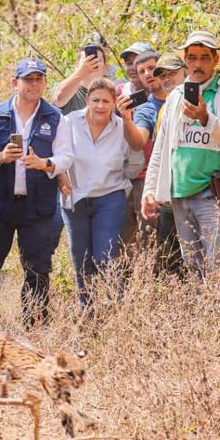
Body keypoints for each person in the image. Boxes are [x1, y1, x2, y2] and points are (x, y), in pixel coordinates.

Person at [143, 31, 220, 277]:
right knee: (192, 263)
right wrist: (150, 189)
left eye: (204, 58)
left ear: (214, 59)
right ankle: (204, 313)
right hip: (180, 192)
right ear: (186, 61)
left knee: (218, 263)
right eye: (192, 58)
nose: (198, 64)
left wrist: (205, 118)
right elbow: (161, 147)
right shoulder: (175, 97)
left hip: (212, 192)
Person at [0, 58, 70, 325]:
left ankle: (35, 319)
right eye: (28, 79)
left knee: (38, 266)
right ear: (14, 83)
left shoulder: (55, 116)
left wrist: (45, 164)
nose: (34, 84)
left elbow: (66, 156)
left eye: (39, 78)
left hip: (37, 205)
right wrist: (1, 156)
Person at [56, 78, 145, 305]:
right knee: (81, 258)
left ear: (114, 102)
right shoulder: (69, 122)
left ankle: (117, 303)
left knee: (104, 255)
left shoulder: (121, 126)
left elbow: (135, 161)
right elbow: (57, 154)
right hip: (75, 196)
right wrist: (60, 175)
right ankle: (87, 309)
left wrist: (119, 177)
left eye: (106, 101)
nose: (100, 106)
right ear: (87, 99)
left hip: (110, 196)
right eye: (95, 100)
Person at [147, 51, 187, 275]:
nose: (167, 79)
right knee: (167, 258)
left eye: (173, 73)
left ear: (186, 72)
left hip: (193, 192)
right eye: (163, 76)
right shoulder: (164, 108)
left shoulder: (202, 101)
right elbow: (158, 152)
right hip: (167, 193)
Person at [120, 49, 161, 246]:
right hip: (138, 176)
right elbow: (138, 141)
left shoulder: (179, 95)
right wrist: (127, 118)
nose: (147, 74)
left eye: (152, 68)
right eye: (140, 69)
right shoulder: (142, 104)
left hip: (176, 178)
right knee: (139, 238)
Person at [50, 33, 114, 115]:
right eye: (86, 59)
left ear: (105, 68)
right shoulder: (66, 88)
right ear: (76, 65)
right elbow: (59, 99)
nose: (92, 62)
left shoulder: (111, 93)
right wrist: (81, 73)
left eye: (98, 60)